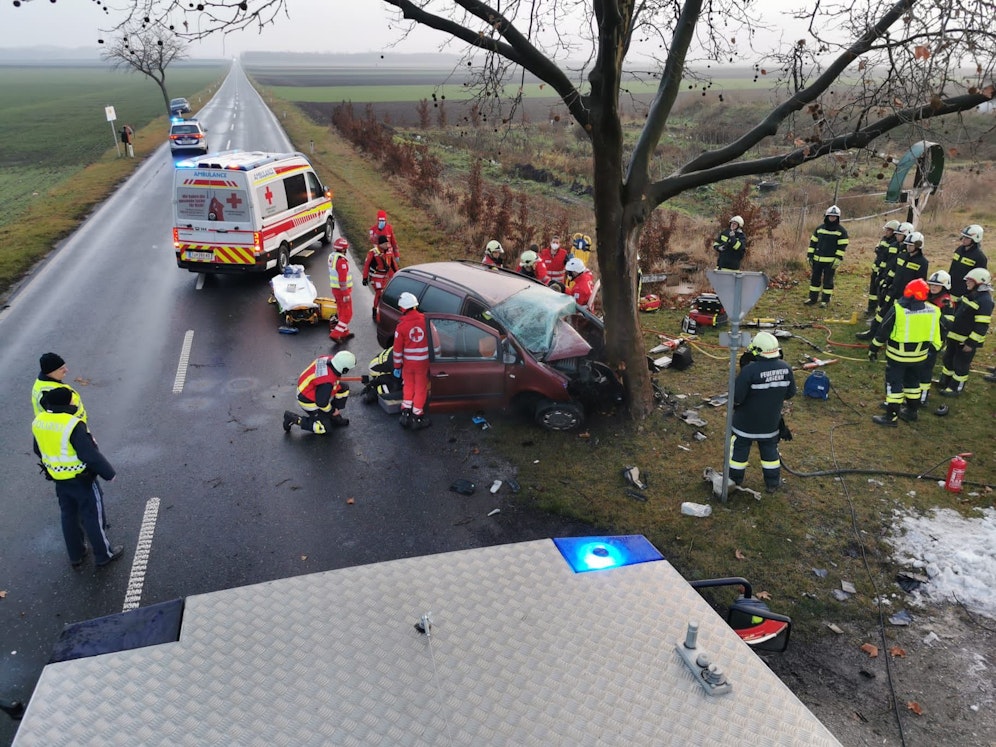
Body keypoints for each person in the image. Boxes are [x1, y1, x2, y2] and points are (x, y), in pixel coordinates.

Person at [32, 387, 123, 569]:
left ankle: (77, 554)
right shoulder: (73, 424)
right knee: (92, 516)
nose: (74, 402)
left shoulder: (39, 421)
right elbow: (88, 454)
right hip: (81, 479)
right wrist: (109, 473)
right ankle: (104, 555)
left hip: (58, 478)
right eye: (72, 400)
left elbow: (37, 449)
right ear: (66, 403)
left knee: (68, 515)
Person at [868, 278, 943, 426]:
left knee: (894, 385)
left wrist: (873, 348)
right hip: (920, 357)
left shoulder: (898, 309)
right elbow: (938, 332)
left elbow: (883, 330)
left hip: (897, 357)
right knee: (913, 384)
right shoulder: (934, 310)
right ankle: (911, 412)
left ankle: (891, 417)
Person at [728, 331, 796, 493]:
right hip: (770, 425)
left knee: (738, 453)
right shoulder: (786, 368)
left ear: (757, 351)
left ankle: (734, 481)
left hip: (744, 425)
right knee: (770, 454)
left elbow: (736, 398)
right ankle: (772, 482)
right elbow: (790, 393)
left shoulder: (750, 371)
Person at [857, 231, 929, 341]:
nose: (908, 247)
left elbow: (920, 282)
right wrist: (886, 282)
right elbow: (893, 271)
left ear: (918, 246)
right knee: (882, 313)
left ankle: (891, 338)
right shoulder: (901, 256)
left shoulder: (922, 262)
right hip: (893, 290)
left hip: (906, 296)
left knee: (898, 318)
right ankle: (872, 332)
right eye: (907, 244)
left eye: (911, 245)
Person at [936, 268, 993, 397]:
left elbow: (982, 326)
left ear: (979, 282)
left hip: (966, 341)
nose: (967, 282)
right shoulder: (970, 294)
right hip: (954, 336)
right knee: (948, 359)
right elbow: (959, 306)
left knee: (960, 364)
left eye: (970, 281)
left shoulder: (985, 301)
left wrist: (971, 343)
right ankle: (945, 381)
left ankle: (956, 388)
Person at [283, 351, 355, 434]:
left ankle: (333, 417)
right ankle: (293, 418)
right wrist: (331, 410)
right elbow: (321, 403)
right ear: (344, 369)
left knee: (344, 389)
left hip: (312, 387)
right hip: (307, 399)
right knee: (323, 429)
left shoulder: (328, 359)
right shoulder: (327, 383)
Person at [394, 291, 431, 430]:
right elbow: (436, 342)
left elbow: (397, 349)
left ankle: (406, 412)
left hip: (408, 364)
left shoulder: (401, 326)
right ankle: (417, 416)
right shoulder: (426, 322)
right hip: (423, 363)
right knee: (420, 388)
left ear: (402, 309)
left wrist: (397, 365)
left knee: (408, 386)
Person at [918, 270, 954, 404]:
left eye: (936, 286)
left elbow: (948, 324)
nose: (933, 287)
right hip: (921, 337)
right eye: (931, 285)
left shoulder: (946, 302)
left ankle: (923, 398)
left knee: (925, 370)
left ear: (944, 287)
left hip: (933, 341)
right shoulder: (927, 296)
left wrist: (935, 314)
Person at [804, 205, 849, 307]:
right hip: (817, 260)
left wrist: (838, 258)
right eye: (830, 216)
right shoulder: (819, 229)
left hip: (830, 262)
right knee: (815, 280)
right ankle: (812, 298)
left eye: (834, 217)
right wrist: (810, 255)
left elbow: (842, 247)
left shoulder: (841, 231)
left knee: (828, 281)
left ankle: (825, 300)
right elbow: (813, 243)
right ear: (826, 216)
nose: (832, 218)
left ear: (837, 218)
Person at [32, 352, 88, 424]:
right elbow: (62, 416)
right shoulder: (49, 394)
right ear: (51, 372)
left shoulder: (47, 382)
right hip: (70, 432)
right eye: (61, 368)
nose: (66, 370)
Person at [866, 220, 901, 316]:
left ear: (894, 232)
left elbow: (888, 260)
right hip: (876, 269)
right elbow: (878, 250)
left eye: (888, 230)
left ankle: (878, 312)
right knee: (873, 290)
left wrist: (882, 272)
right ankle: (871, 308)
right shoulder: (884, 239)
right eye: (886, 230)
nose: (886, 232)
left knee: (880, 292)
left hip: (883, 272)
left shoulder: (895, 244)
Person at [362, 234, 399, 321]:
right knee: (380, 293)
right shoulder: (373, 252)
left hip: (384, 278)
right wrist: (365, 278)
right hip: (375, 277)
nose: (387, 245)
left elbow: (393, 264)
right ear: (380, 244)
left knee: (384, 293)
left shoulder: (389, 251)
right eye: (385, 243)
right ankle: (375, 310)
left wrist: (398, 274)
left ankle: (379, 309)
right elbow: (366, 265)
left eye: (388, 243)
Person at [947, 225, 987, 303]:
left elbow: (980, 279)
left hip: (965, 294)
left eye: (967, 238)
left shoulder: (980, 257)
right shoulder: (959, 249)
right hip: (952, 289)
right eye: (963, 237)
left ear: (975, 239)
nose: (963, 240)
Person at [327, 237, 354, 343]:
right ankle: (336, 334)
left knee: (342, 312)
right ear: (343, 249)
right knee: (348, 314)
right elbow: (342, 280)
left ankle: (344, 332)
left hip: (336, 290)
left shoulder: (332, 257)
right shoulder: (341, 261)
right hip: (342, 291)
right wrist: (346, 293)